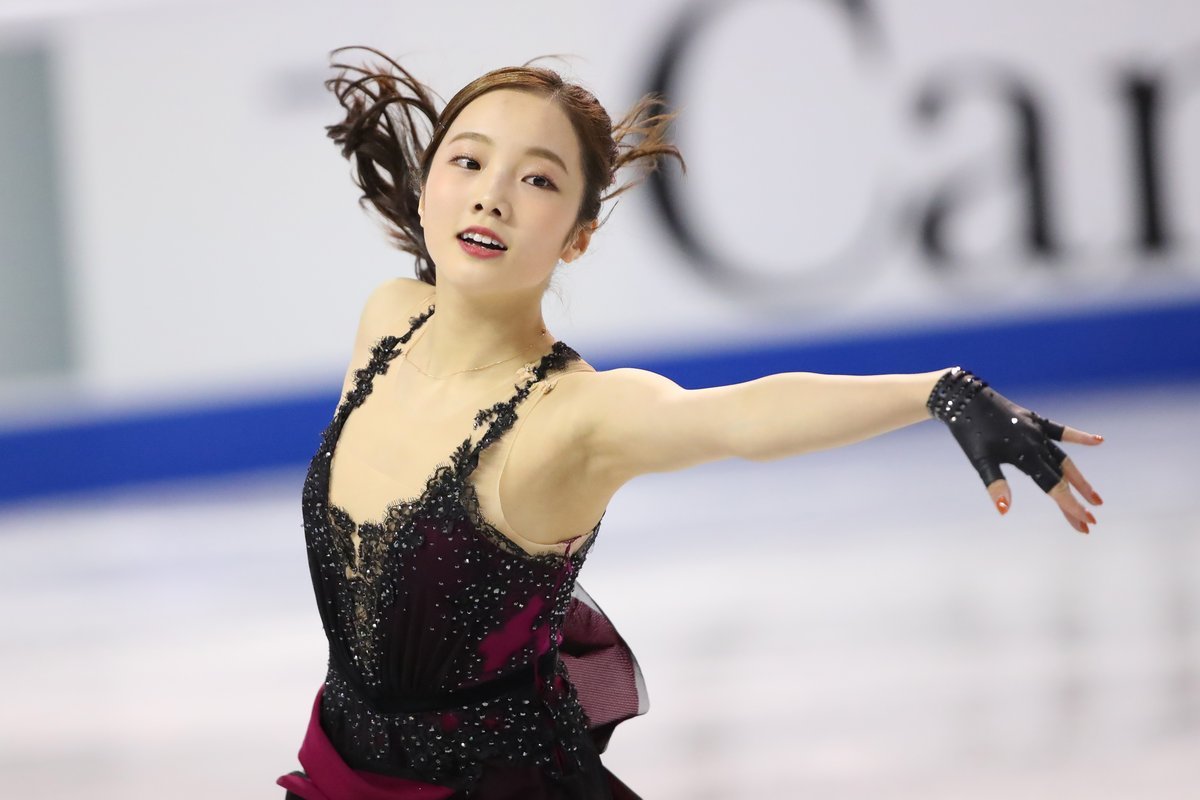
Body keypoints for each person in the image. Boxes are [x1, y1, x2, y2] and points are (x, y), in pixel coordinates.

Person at [277, 45, 1105, 800]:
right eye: (469, 161)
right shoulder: (388, 320)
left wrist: (938, 393)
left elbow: (740, 417)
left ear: (579, 237)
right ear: (429, 184)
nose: (492, 195)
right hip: (336, 775)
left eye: (538, 181)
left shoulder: (575, 418)